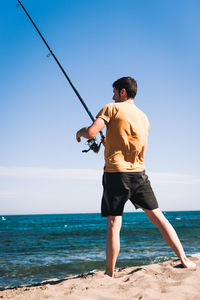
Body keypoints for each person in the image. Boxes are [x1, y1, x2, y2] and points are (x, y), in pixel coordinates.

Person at [76, 76, 196, 277]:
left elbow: (91, 132)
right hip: (139, 174)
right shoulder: (143, 117)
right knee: (159, 218)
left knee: (114, 225)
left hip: (116, 174)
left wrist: (80, 132)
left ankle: (109, 273)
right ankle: (184, 260)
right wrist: (111, 143)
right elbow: (141, 152)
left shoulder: (110, 108)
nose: (112, 96)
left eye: (114, 92)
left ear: (123, 92)